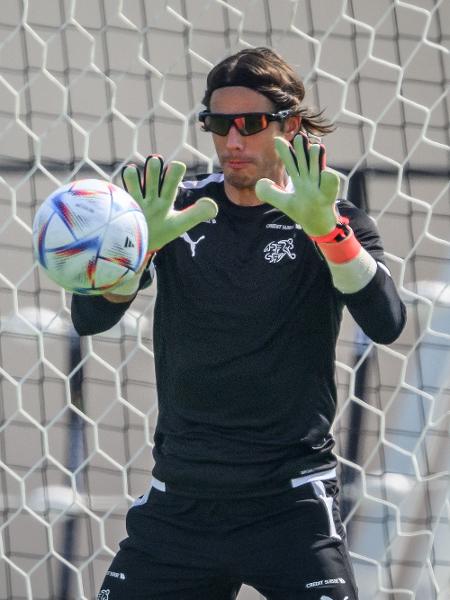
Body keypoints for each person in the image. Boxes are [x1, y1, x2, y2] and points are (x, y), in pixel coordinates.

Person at [72, 47, 406, 600]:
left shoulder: (333, 219)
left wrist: (329, 236)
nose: (232, 141)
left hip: (291, 504)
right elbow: (90, 318)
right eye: (217, 124)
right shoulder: (176, 211)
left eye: (250, 124)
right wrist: (137, 249)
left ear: (290, 125)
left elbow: (387, 321)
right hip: (181, 502)